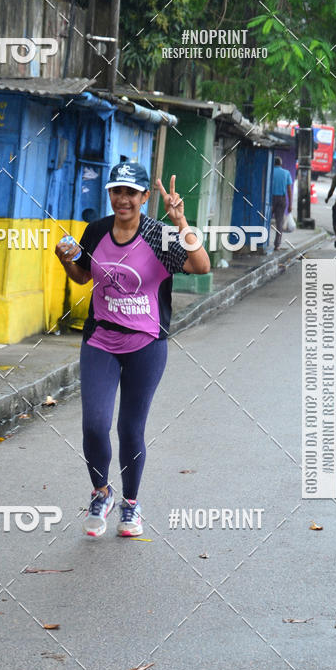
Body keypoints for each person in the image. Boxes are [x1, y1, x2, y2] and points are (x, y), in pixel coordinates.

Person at [55, 161, 211, 538]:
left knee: (130, 429)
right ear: (110, 195)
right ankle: (101, 493)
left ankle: (131, 504)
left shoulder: (159, 236)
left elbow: (202, 265)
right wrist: (67, 260)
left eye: (131, 192)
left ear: (144, 197)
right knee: (94, 424)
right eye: (116, 191)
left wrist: (181, 223)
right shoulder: (95, 231)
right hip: (101, 340)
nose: (122, 199)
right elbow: (83, 277)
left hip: (146, 345)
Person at [271, 156, 293, 251]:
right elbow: (289, 190)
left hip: (270, 199)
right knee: (279, 222)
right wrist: (290, 204)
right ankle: (277, 245)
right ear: (281, 164)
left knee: (265, 220)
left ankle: (262, 241)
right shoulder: (286, 173)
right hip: (281, 199)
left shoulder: (270, 171)